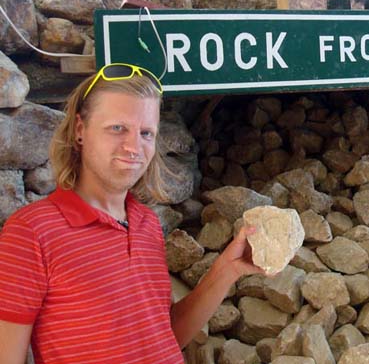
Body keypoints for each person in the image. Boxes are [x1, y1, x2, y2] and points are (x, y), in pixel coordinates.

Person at [0, 63, 263, 363]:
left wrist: (228, 269)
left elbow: (166, 335)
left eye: (146, 133)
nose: (133, 147)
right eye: (117, 128)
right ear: (80, 130)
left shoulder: (147, 224)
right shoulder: (30, 232)